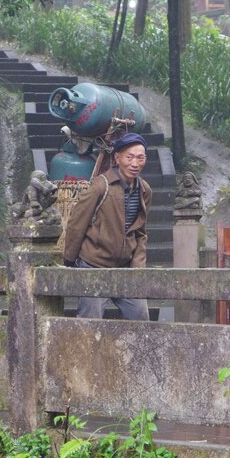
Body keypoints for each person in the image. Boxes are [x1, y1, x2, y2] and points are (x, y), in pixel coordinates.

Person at [63, 132, 152, 320]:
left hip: (125, 267)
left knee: (141, 317)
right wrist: (70, 260)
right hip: (94, 265)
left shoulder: (144, 190)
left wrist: (137, 268)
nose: (135, 163)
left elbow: (141, 232)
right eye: (129, 157)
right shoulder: (100, 186)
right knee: (89, 321)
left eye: (140, 158)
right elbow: (76, 224)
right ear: (117, 158)